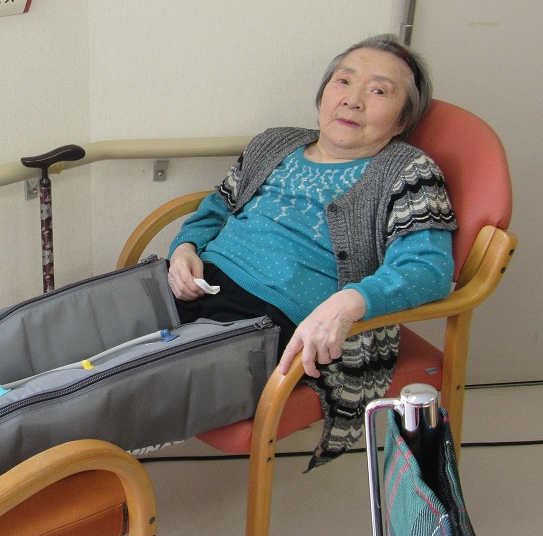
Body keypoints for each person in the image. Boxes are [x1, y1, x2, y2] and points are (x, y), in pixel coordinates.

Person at [167, 34, 457, 467]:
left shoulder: (409, 172)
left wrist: (349, 302)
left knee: (123, 383)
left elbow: (429, 268)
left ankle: (65, 458)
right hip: (194, 282)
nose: (353, 100)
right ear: (324, 93)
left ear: (402, 121)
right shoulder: (275, 142)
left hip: (272, 318)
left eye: (379, 91)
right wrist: (185, 247)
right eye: (344, 81)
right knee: (75, 326)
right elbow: (218, 206)